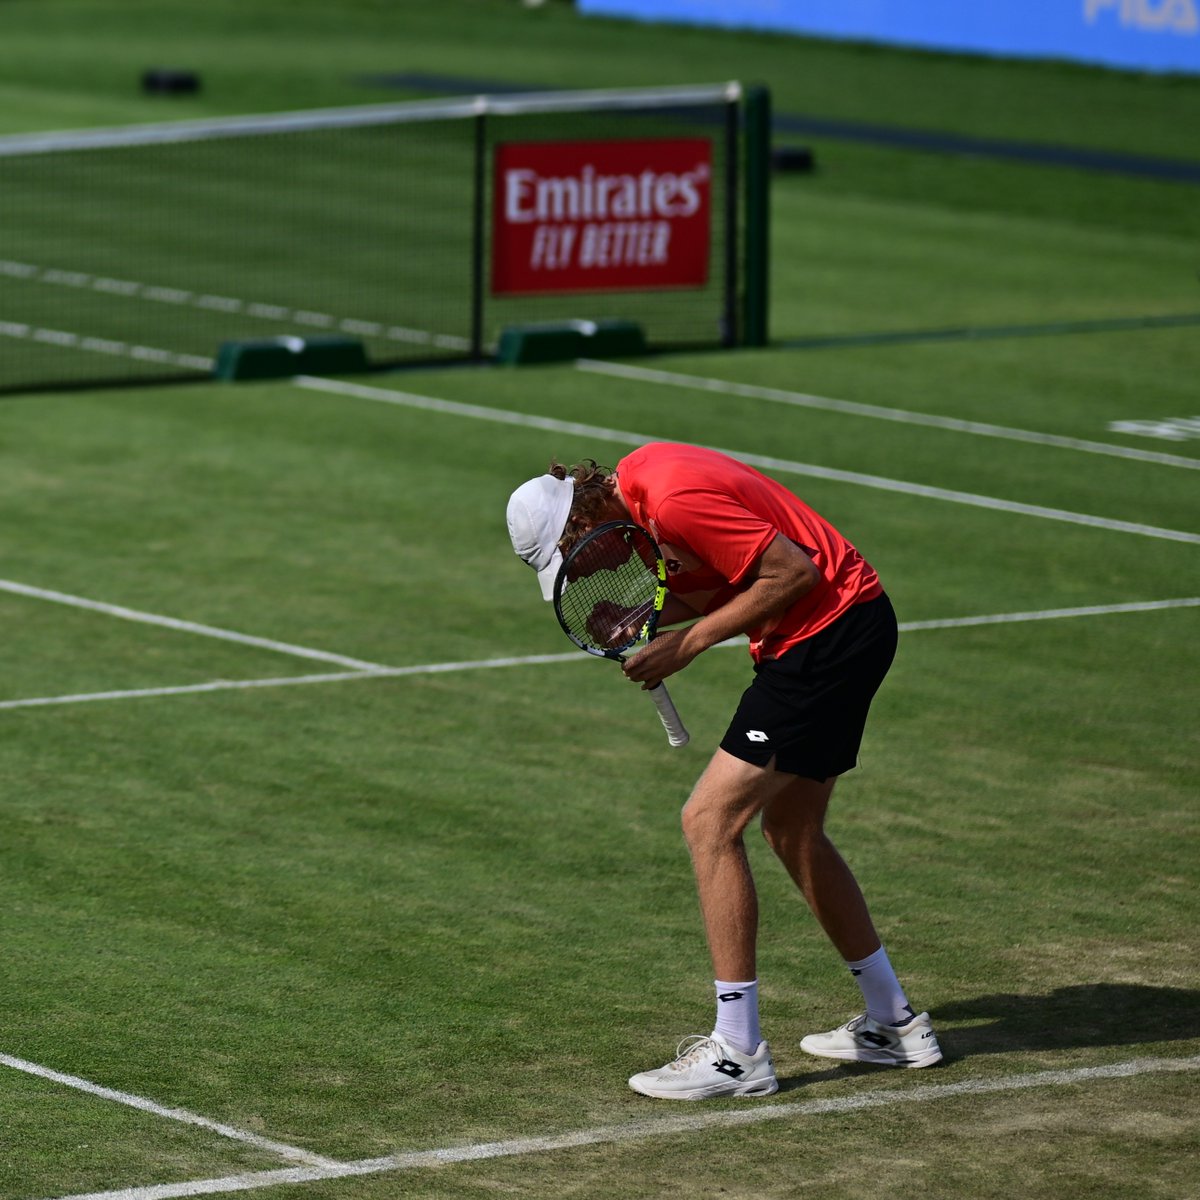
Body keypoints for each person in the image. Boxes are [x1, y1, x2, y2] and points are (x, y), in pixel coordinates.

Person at [506, 442, 942, 1100]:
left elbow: (789, 574)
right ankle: (895, 1023)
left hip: (824, 638)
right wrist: (642, 621)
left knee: (709, 822)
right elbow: (727, 581)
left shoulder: (672, 497)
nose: (585, 571)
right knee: (792, 829)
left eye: (573, 560)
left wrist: (686, 644)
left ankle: (738, 1054)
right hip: (845, 628)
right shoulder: (644, 494)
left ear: (582, 522)